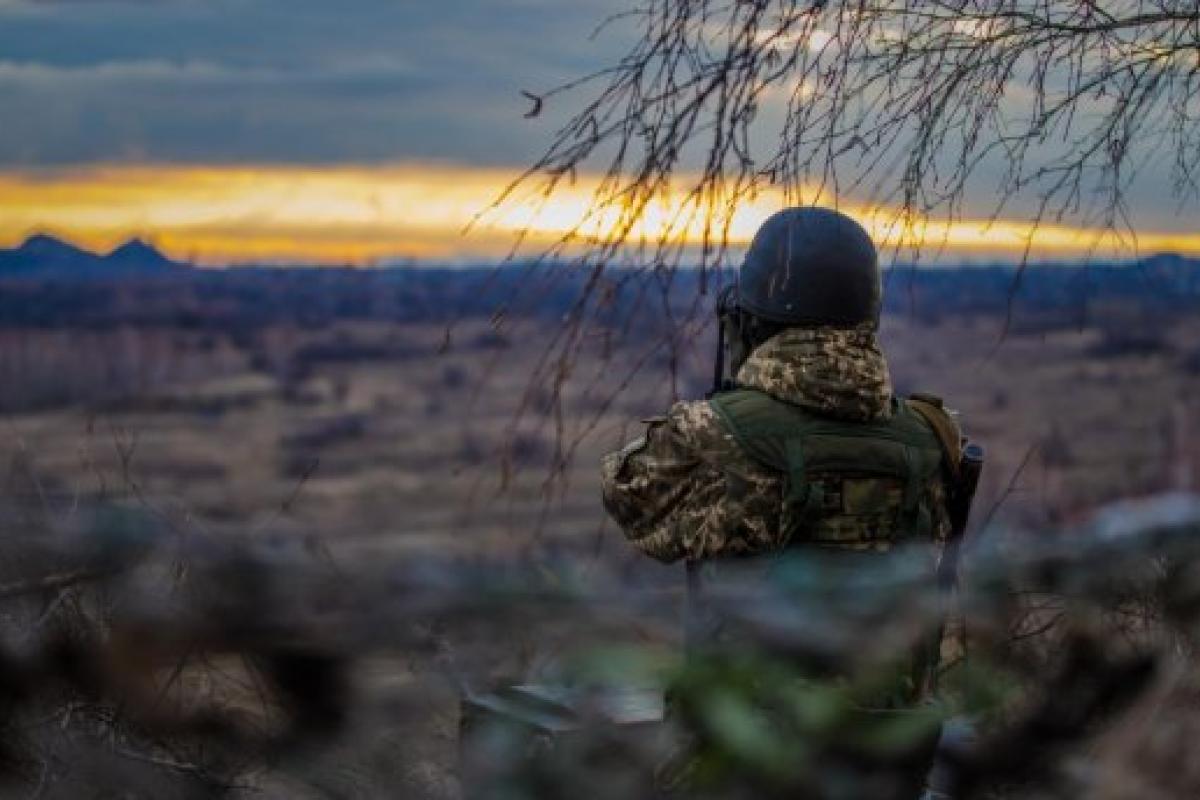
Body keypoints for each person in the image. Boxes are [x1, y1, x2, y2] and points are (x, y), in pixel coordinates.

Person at [600, 206, 973, 798]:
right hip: (887, 754)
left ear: (756, 317)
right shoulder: (934, 438)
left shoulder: (717, 435)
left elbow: (627, 496)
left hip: (744, 755)